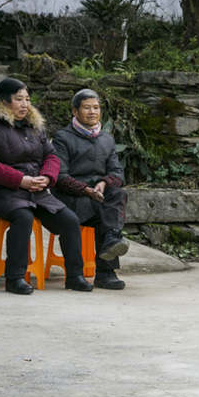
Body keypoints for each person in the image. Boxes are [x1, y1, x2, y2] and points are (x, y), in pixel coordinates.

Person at [0, 78, 92, 295]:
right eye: (19, 99)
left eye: (27, 99)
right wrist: (20, 180)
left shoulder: (34, 126)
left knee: (69, 220)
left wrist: (47, 177)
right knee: (23, 217)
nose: (25, 104)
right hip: (2, 192)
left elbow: (51, 156)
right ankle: (14, 278)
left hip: (37, 191)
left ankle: (74, 276)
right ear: (4, 101)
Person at [52, 89, 129, 290]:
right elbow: (60, 177)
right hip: (72, 196)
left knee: (117, 195)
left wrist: (103, 183)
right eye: (87, 107)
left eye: (96, 107)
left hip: (98, 194)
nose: (92, 112)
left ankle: (106, 268)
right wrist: (86, 190)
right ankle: (80, 274)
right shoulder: (62, 137)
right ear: (75, 111)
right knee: (105, 211)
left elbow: (117, 172)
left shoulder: (106, 139)